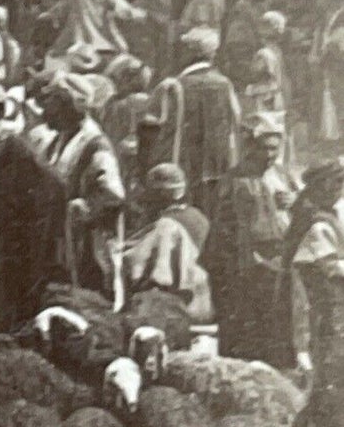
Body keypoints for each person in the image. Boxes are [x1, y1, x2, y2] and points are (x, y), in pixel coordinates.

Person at [0, 83, 65, 333]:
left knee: (6, 296)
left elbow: (53, 185)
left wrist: (25, 222)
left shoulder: (16, 149)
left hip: (10, 240)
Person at [202, 113, 298, 363]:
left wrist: (293, 203)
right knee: (245, 330)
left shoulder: (281, 174)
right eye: (264, 149)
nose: (269, 155)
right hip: (244, 265)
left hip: (275, 262)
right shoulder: (235, 181)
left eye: (274, 149)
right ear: (251, 147)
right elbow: (227, 231)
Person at [37, 75, 128, 303]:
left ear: (68, 107)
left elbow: (112, 194)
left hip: (88, 245)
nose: (45, 112)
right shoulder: (55, 143)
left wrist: (82, 208)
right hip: (62, 243)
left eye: (52, 105)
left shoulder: (95, 145)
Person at [146, 26, 240, 219]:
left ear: (189, 53)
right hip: (217, 165)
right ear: (212, 55)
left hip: (183, 165)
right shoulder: (224, 84)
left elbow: (155, 127)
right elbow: (235, 120)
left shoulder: (174, 86)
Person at [121, 163, 214, 325]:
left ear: (162, 194)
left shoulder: (165, 225)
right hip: (202, 301)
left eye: (151, 195)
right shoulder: (199, 217)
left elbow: (139, 261)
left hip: (171, 307)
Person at [283, 157, 344, 380]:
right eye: (335, 182)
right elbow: (327, 263)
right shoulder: (313, 216)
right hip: (316, 289)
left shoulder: (321, 210)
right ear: (321, 185)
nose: (339, 188)